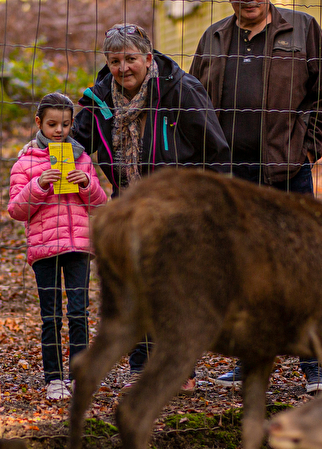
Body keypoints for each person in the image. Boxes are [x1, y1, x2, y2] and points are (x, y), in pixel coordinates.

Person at [189, 0, 322, 394]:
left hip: (285, 173)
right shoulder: (215, 37)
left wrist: (306, 150)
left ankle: (314, 367)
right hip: (230, 175)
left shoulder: (303, 29)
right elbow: (194, 101)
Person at [72, 23, 231, 389]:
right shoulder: (101, 97)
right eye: (115, 61)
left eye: (130, 58)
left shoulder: (180, 89)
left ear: (147, 57)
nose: (123, 68)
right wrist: (39, 152)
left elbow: (215, 149)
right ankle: (142, 369)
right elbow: (78, 140)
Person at [8, 93, 107, 400]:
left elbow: (99, 204)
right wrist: (38, 186)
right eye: (52, 124)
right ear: (39, 123)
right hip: (44, 249)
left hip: (78, 245)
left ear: (72, 124)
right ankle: (53, 379)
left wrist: (87, 184)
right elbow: (16, 209)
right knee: (51, 316)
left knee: (78, 312)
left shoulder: (82, 158)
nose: (58, 131)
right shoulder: (25, 161)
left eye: (65, 124)